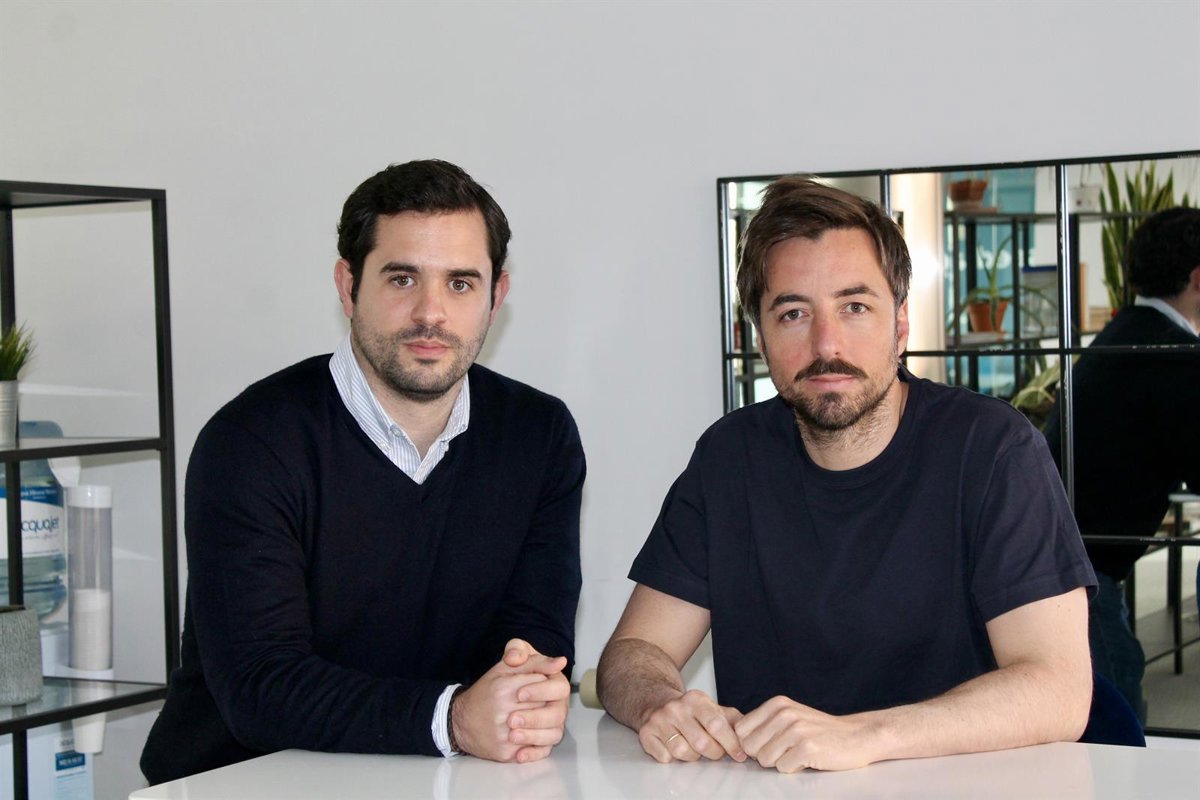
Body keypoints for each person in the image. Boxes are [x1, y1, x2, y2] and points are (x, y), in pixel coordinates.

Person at [596, 177, 1095, 773]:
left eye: (854, 307)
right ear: (759, 338)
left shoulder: (992, 449)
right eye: (793, 313)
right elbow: (634, 651)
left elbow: (1059, 689)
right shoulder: (729, 457)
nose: (826, 343)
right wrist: (660, 703)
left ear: (901, 325)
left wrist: (861, 736)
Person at [141, 160, 585, 784]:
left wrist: (522, 696)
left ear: (496, 296)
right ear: (348, 286)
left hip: (441, 779)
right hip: (241, 781)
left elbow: (533, 643)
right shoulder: (251, 441)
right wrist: (453, 719)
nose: (431, 313)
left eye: (461, 283)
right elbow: (260, 685)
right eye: (402, 279)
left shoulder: (538, 434)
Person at [1044, 206, 1200, 723]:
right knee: (1115, 720)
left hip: (1061, 552)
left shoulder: (1127, 332)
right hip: (1079, 568)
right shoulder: (1174, 354)